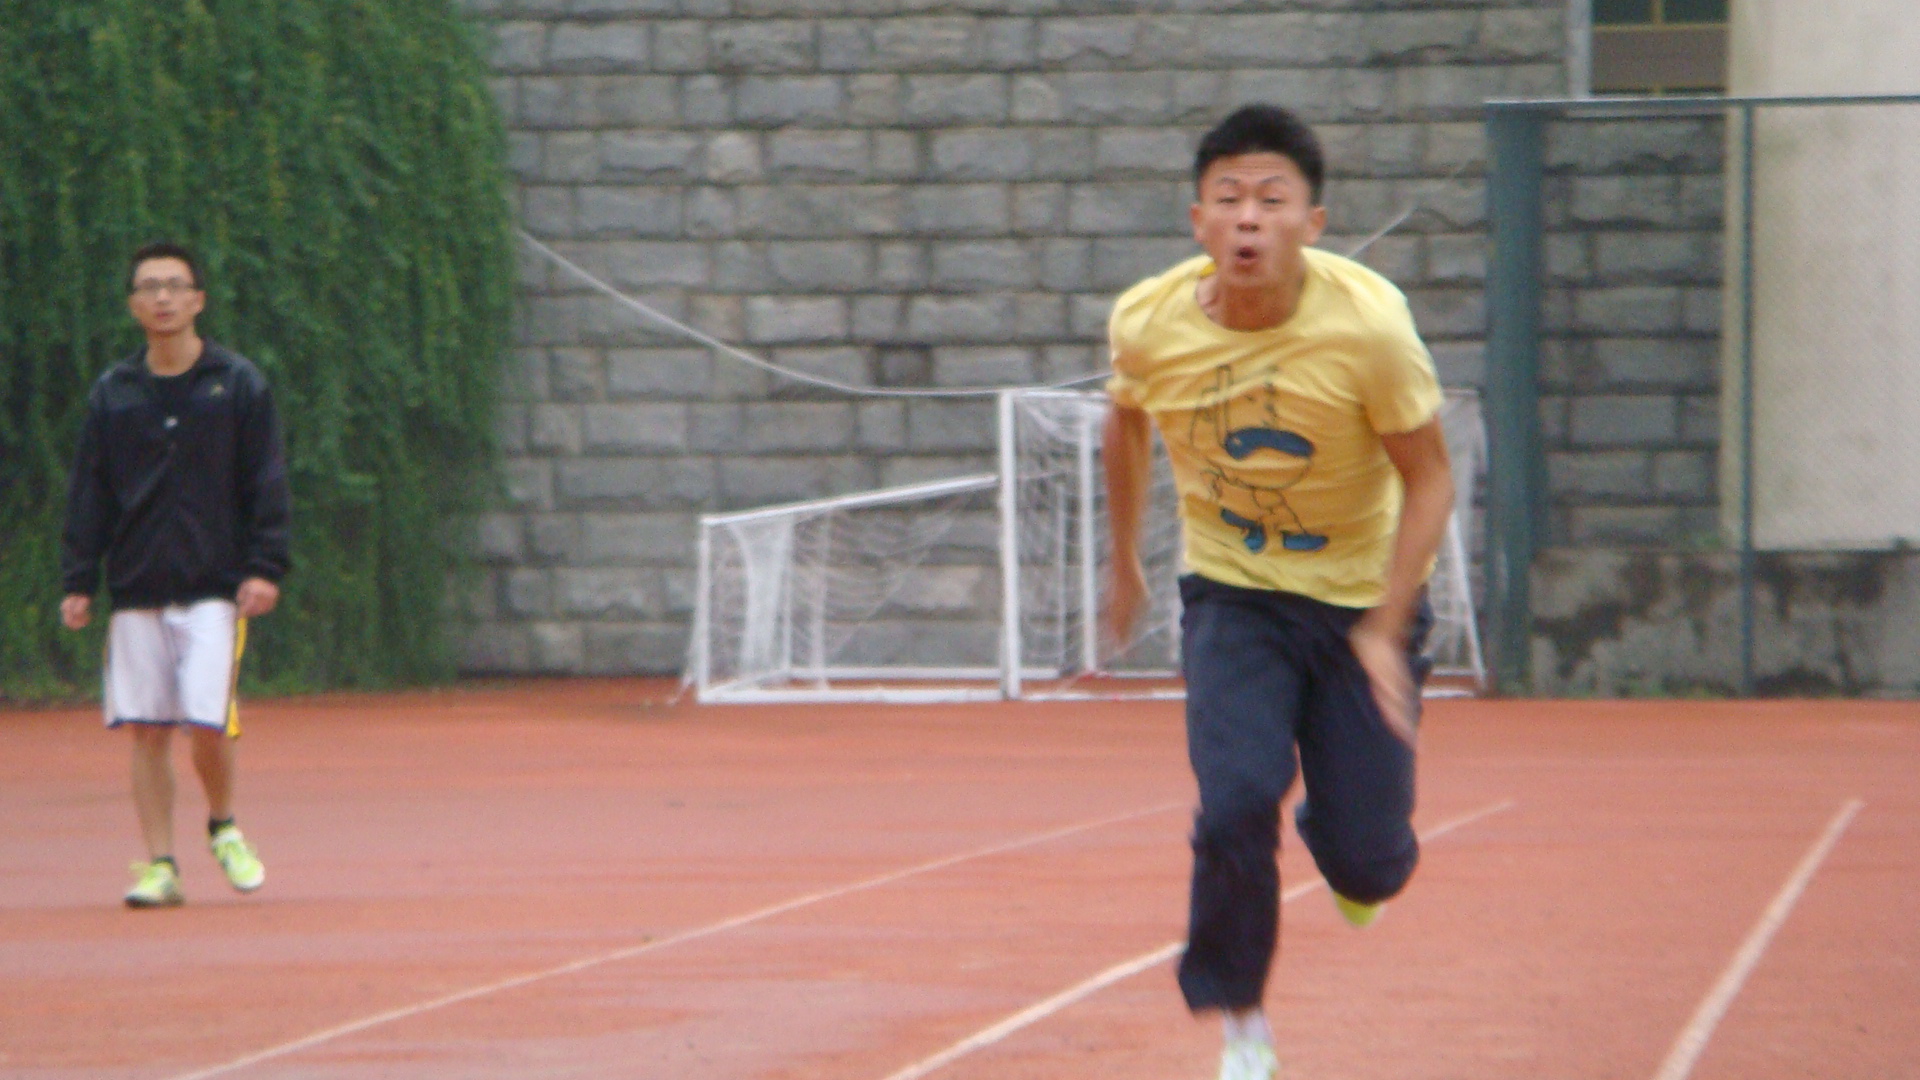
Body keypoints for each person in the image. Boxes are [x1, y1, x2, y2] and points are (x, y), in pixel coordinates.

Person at [1102, 105, 1454, 1080]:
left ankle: (1348, 847)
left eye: (1271, 198)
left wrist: (1384, 627)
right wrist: (1125, 560)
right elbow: (1124, 422)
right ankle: (1243, 1023)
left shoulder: (1368, 327)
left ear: (1314, 221)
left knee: (1369, 859)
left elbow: (1431, 478)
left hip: (1359, 604)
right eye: (1228, 199)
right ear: (1198, 221)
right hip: (1234, 595)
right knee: (1233, 805)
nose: (1248, 218)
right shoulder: (1148, 323)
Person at [60, 241, 292, 909]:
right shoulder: (114, 393)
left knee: (209, 721)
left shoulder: (237, 383)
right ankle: (160, 864)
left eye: (174, 285)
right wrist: (79, 579)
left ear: (198, 300)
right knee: (148, 728)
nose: (162, 297)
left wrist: (265, 566)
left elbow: (266, 480)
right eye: (149, 287)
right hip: (136, 588)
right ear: (134, 305)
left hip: (214, 588)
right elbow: (91, 491)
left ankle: (222, 824)